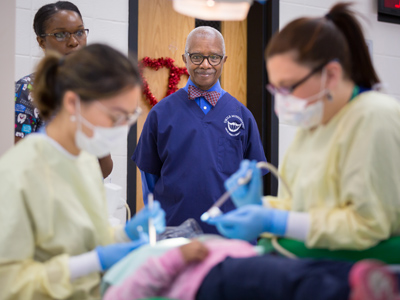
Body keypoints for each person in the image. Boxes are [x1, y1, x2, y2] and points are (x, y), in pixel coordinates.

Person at [206, 2, 400, 250]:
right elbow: (297, 206)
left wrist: (276, 221)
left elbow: (368, 224)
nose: (281, 101)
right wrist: (259, 208)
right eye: (275, 88)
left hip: (353, 273)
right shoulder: (314, 125)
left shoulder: (374, 116)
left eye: (288, 86)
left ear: (330, 75)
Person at [0, 44, 166, 300]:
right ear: (71, 102)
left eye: (129, 117)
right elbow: (9, 283)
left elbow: (85, 237)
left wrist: (124, 234)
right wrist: (92, 262)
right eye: (115, 116)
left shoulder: (86, 162)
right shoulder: (19, 172)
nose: (122, 128)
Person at [132, 26, 267, 234]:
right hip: (174, 236)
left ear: (224, 60)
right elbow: (149, 183)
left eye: (214, 57)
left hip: (230, 236)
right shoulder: (161, 114)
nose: (205, 64)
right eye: (196, 57)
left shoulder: (242, 116)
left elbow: (253, 183)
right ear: (185, 59)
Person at [103, 238, 400, 300]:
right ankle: (345, 292)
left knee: (311, 265)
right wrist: (176, 256)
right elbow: (128, 292)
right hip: (209, 278)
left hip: (239, 260)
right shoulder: (123, 271)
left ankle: (382, 282)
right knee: (291, 281)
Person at [14, 1, 113, 178]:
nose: (74, 42)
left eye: (79, 32)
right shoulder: (27, 90)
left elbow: (104, 168)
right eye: (60, 35)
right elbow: (19, 164)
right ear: (41, 41)